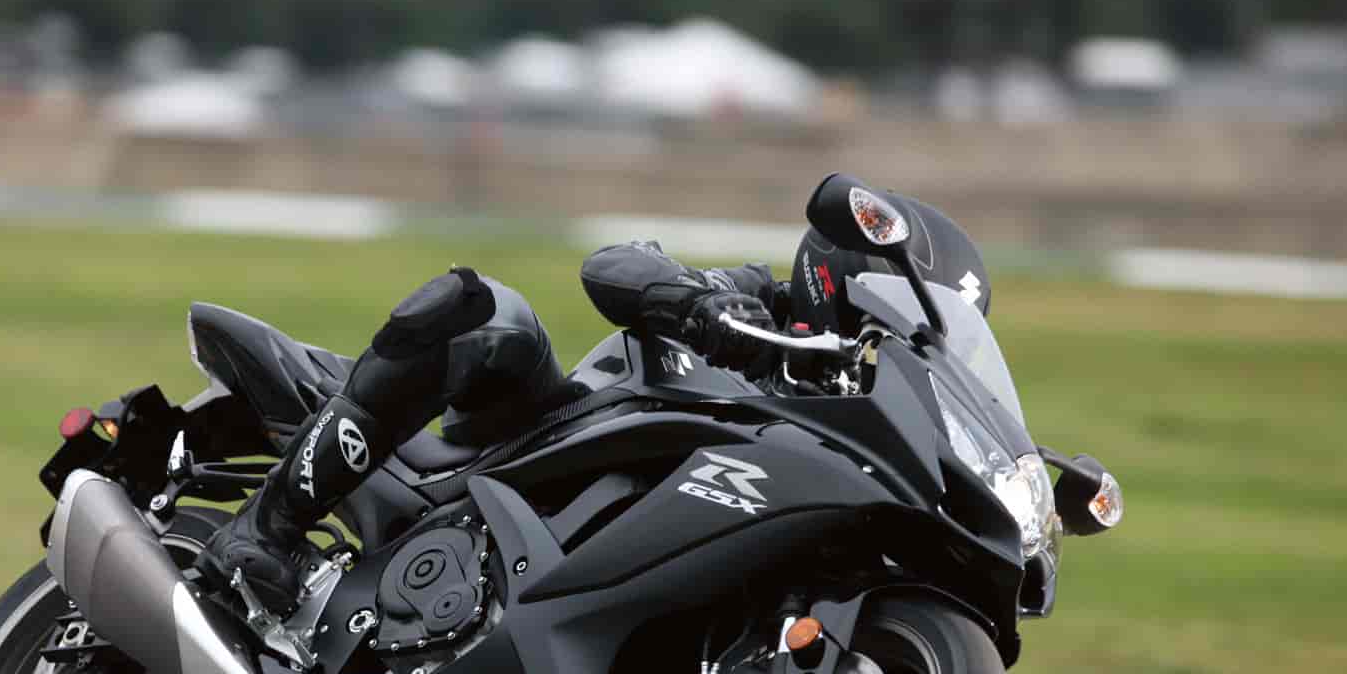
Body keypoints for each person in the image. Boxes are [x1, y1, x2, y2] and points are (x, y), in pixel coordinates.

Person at [196, 194, 989, 615]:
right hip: (551, 439)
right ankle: (263, 529)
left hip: (672, 549)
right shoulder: (756, 302)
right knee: (488, 314)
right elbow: (617, 263)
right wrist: (702, 309)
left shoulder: (862, 425)